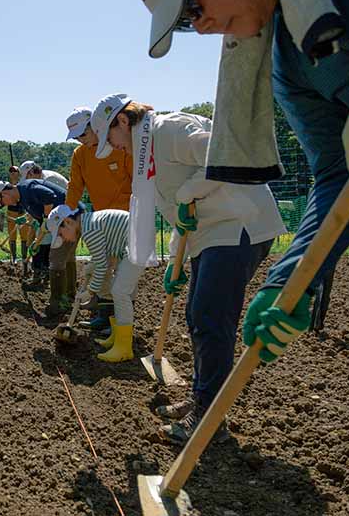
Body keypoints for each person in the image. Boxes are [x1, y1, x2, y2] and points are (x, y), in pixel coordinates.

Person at [124, 0, 349, 367]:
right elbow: (337, 172)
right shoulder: (286, 69)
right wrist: (290, 278)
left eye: (193, 5)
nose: (201, 24)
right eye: (188, 22)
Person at [90, 93, 285, 443]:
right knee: (197, 318)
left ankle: (209, 418)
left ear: (122, 120)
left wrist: (188, 192)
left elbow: (224, 153)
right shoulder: (148, 155)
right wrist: (176, 254)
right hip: (211, 234)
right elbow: (180, 215)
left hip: (239, 223)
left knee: (210, 318)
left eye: (112, 138)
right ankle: (202, 398)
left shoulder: (168, 130)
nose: (116, 148)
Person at [64, 106, 134, 332]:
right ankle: (105, 316)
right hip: (102, 222)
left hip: (126, 219)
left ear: (95, 127)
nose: (80, 141)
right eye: (76, 138)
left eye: (83, 135)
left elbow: (136, 180)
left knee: (122, 275)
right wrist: (66, 215)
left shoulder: (119, 146)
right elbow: (75, 187)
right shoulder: (80, 155)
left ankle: (121, 322)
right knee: (99, 269)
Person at [47, 205, 144, 362]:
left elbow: (102, 265)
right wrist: (92, 270)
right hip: (132, 244)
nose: (63, 238)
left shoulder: (89, 230)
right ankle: (116, 336)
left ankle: (124, 347)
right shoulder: (89, 222)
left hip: (137, 245)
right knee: (118, 290)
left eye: (60, 233)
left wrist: (90, 291)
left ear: (67, 222)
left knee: (120, 291)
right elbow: (104, 257)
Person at [0, 178, 80, 317]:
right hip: (68, 218)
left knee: (56, 260)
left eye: (2, 202)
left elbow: (49, 196)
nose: (5, 205)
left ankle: (58, 304)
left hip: (68, 217)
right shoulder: (23, 198)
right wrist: (35, 238)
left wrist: (45, 218)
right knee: (67, 257)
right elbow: (39, 212)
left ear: (5, 194)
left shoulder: (27, 188)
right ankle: (69, 297)